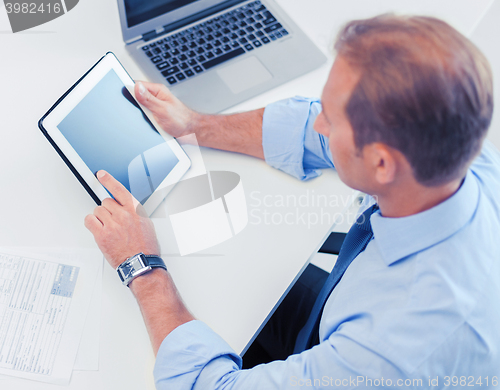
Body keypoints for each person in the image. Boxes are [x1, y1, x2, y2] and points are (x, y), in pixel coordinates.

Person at [84, 15, 500, 389]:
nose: (319, 122)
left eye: (332, 119)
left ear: (381, 162)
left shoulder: (388, 353)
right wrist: (194, 124)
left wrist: (141, 265)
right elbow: (308, 128)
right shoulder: (459, 144)